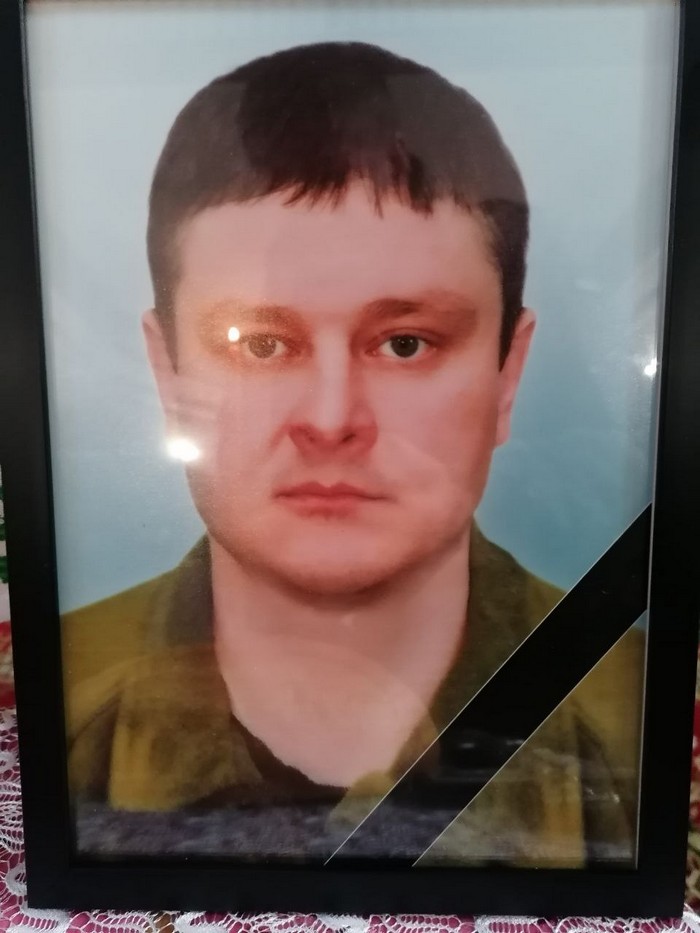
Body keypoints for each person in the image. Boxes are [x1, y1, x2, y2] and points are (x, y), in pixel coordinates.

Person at [62, 41, 644, 866]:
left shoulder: (644, 716)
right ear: (166, 372)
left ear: (508, 374)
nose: (332, 420)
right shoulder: (59, 696)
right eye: (261, 344)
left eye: (405, 343)